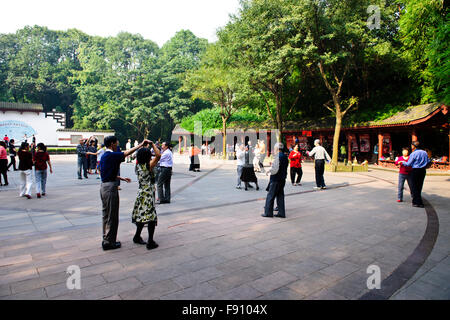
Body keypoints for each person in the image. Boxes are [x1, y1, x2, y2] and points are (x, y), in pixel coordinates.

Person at [99, 136, 148, 251]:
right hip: (110, 188)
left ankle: (106, 238)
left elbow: (106, 172)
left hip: (104, 187)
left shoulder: (105, 155)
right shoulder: (111, 154)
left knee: (106, 214)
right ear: (112, 144)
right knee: (112, 215)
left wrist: (121, 178)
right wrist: (141, 144)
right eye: (116, 143)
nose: (118, 145)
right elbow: (126, 153)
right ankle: (110, 242)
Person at [132, 142, 161, 250]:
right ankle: (150, 241)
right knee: (151, 218)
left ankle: (136, 236)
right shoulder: (148, 166)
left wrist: (141, 145)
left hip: (140, 192)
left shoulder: (138, 165)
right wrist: (153, 144)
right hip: (148, 193)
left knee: (141, 215)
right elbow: (158, 155)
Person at [262, 142, 289, 218]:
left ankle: (268, 213)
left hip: (275, 179)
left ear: (277, 148)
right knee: (280, 196)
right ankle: (281, 212)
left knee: (270, 196)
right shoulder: (285, 156)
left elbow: (275, 169)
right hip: (282, 179)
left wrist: (268, 171)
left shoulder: (277, 156)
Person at [401, 141, 431, 208]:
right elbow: (428, 161)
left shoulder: (414, 153)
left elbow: (408, 164)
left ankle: (418, 202)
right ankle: (417, 201)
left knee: (414, 187)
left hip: (415, 170)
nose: (411, 147)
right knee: (419, 186)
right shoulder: (424, 152)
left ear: (413, 146)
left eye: (412, 145)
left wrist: (403, 162)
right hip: (422, 170)